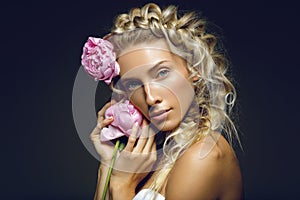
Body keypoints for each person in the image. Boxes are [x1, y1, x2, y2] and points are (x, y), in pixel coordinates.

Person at [84, 2, 244, 200]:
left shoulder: (202, 157)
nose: (151, 97)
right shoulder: (148, 160)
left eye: (162, 73)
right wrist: (108, 166)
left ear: (195, 68)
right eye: (133, 84)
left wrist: (120, 186)